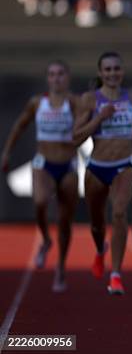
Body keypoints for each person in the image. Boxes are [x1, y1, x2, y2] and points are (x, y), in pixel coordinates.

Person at [73, 51, 132, 295]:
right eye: (108, 70)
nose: (112, 74)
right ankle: (101, 250)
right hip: (98, 167)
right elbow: (75, 137)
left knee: (119, 213)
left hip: (124, 165)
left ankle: (117, 274)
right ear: (100, 73)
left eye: (116, 69)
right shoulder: (90, 99)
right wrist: (99, 118)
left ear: (122, 72)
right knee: (97, 225)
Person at [1, 61, 79, 293]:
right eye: (52, 75)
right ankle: (45, 239)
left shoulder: (74, 103)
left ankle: (62, 267)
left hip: (68, 163)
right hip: (43, 162)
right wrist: (6, 152)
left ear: (67, 77)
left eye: (60, 74)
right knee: (40, 202)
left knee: (65, 219)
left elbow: (89, 126)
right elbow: (19, 126)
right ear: (48, 79)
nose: (56, 79)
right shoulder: (38, 103)